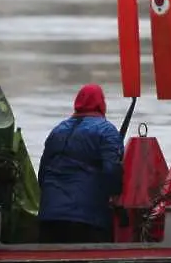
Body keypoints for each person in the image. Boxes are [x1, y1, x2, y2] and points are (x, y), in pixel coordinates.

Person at [37, 83, 124, 244]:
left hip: (49, 215)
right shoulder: (106, 131)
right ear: (101, 104)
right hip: (87, 218)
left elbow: (42, 174)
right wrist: (116, 195)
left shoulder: (58, 130)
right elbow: (112, 170)